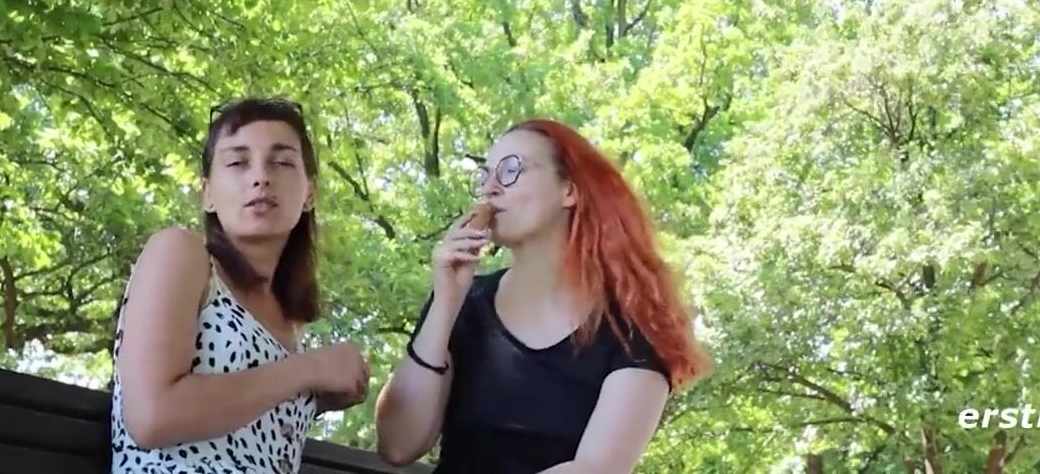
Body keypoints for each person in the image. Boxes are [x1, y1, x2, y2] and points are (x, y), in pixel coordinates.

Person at [374, 119, 710, 473]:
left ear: (569, 190)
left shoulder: (632, 329)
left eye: (511, 170)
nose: (489, 188)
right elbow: (398, 446)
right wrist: (446, 302)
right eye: (485, 175)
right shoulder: (463, 304)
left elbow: (596, 468)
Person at [110, 97, 370, 474]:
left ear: (310, 193)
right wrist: (308, 370)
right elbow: (152, 416)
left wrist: (314, 397)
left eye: (281, 162)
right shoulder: (180, 252)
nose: (260, 177)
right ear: (208, 193)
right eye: (237, 162)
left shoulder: (289, 323)